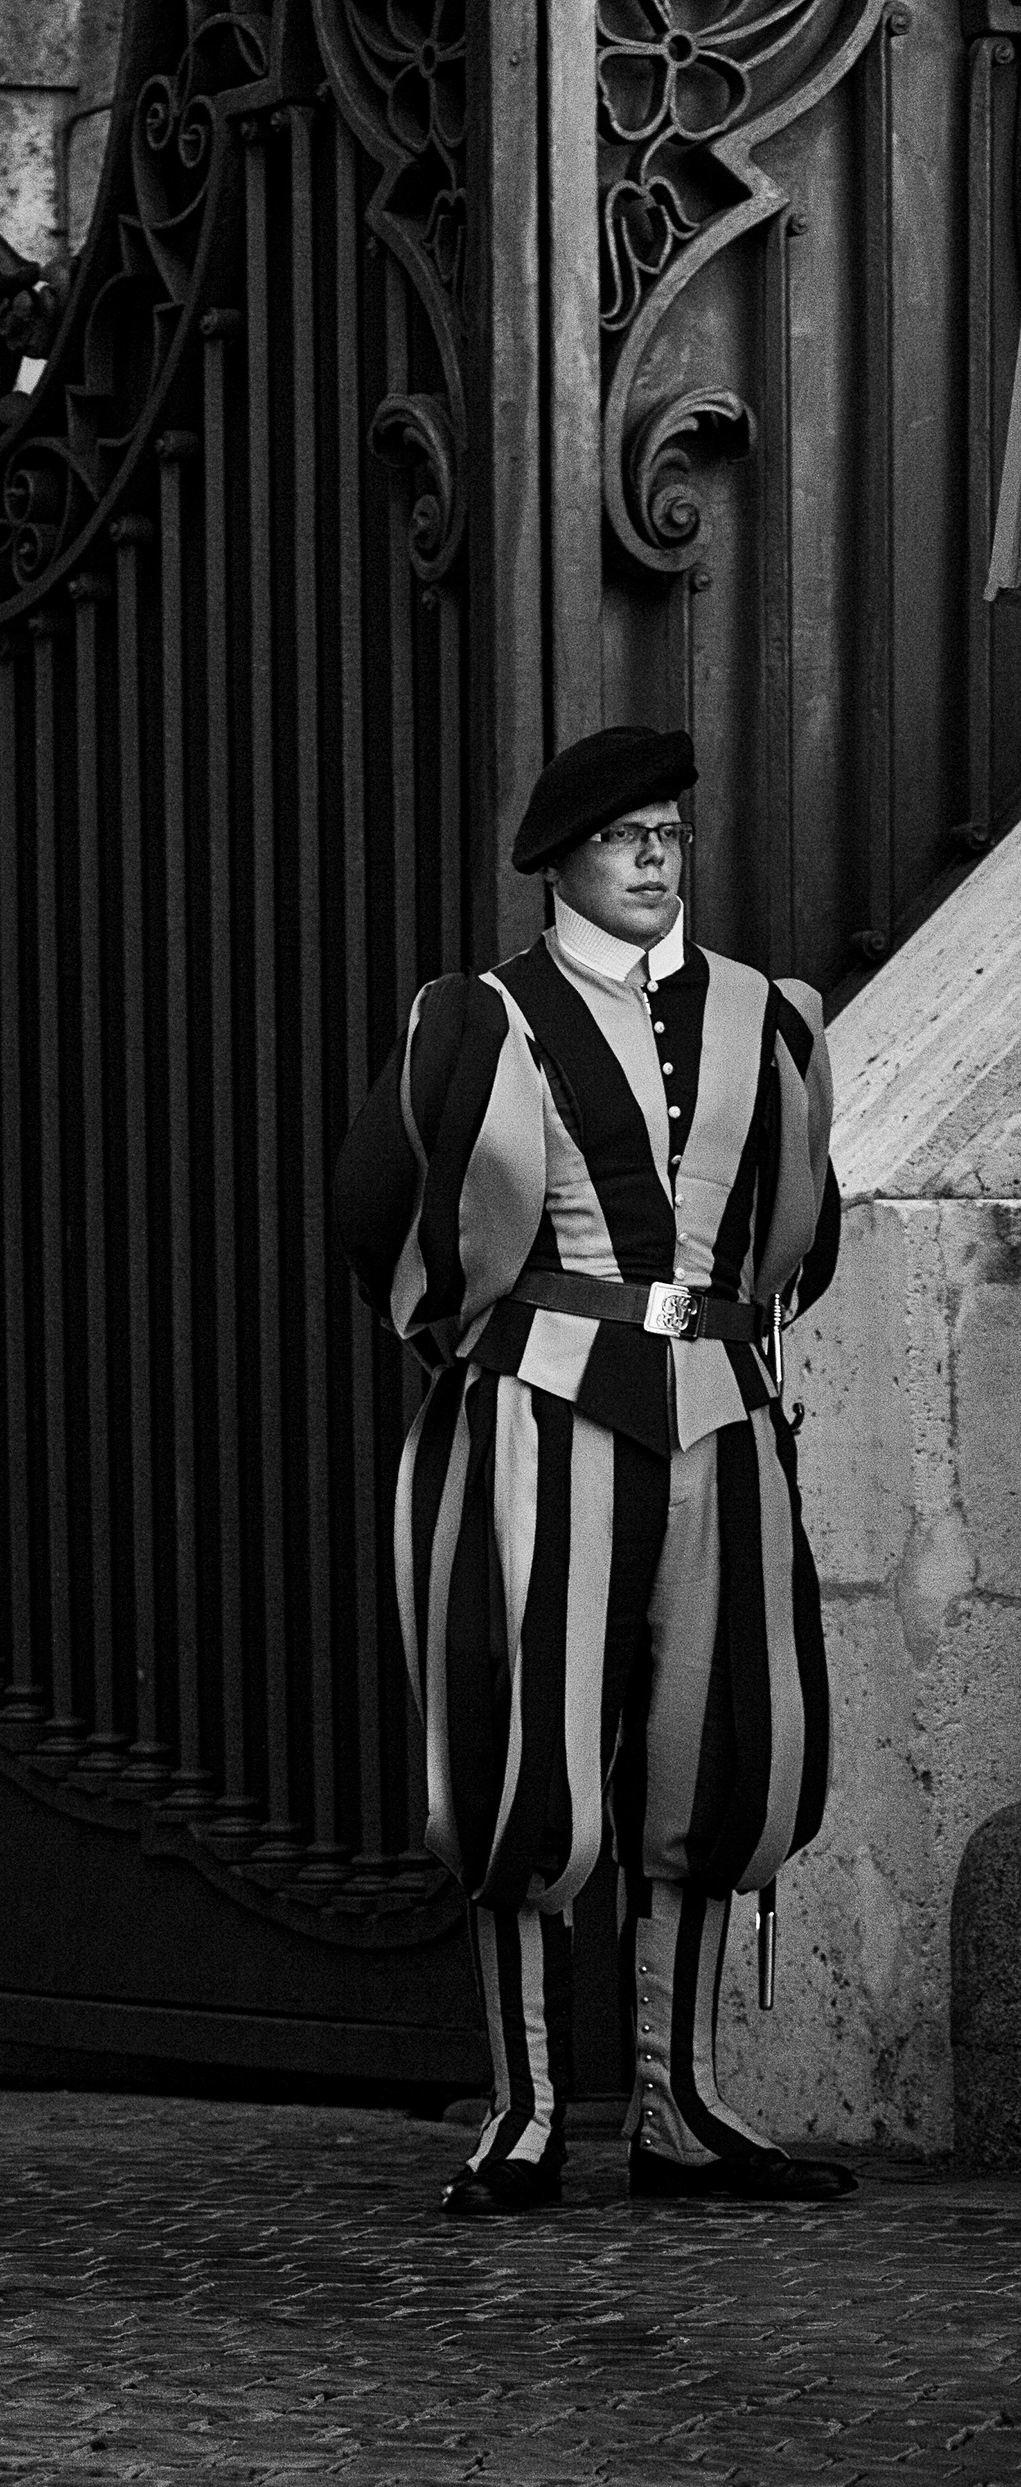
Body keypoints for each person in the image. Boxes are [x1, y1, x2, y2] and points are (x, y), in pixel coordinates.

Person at [333, 725, 858, 2216]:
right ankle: (525, 2113)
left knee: (722, 1753)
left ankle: (684, 2110)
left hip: (725, 1416)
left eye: (670, 832)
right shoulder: (481, 1017)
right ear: (559, 858)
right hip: (546, 1410)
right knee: (527, 1760)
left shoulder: (770, 1016)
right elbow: (388, 1211)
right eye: (624, 835)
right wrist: (490, 1358)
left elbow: (802, 1227)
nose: (653, 856)